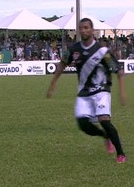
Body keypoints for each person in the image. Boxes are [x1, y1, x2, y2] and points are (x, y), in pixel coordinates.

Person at [47, 18, 127, 163]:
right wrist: (53, 83)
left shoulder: (102, 51)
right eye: (81, 28)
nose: (83, 30)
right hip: (84, 92)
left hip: (102, 90)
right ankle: (105, 136)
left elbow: (119, 71)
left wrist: (122, 93)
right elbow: (62, 64)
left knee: (104, 120)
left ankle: (121, 154)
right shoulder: (74, 49)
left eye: (86, 27)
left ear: (92, 30)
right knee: (83, 124)